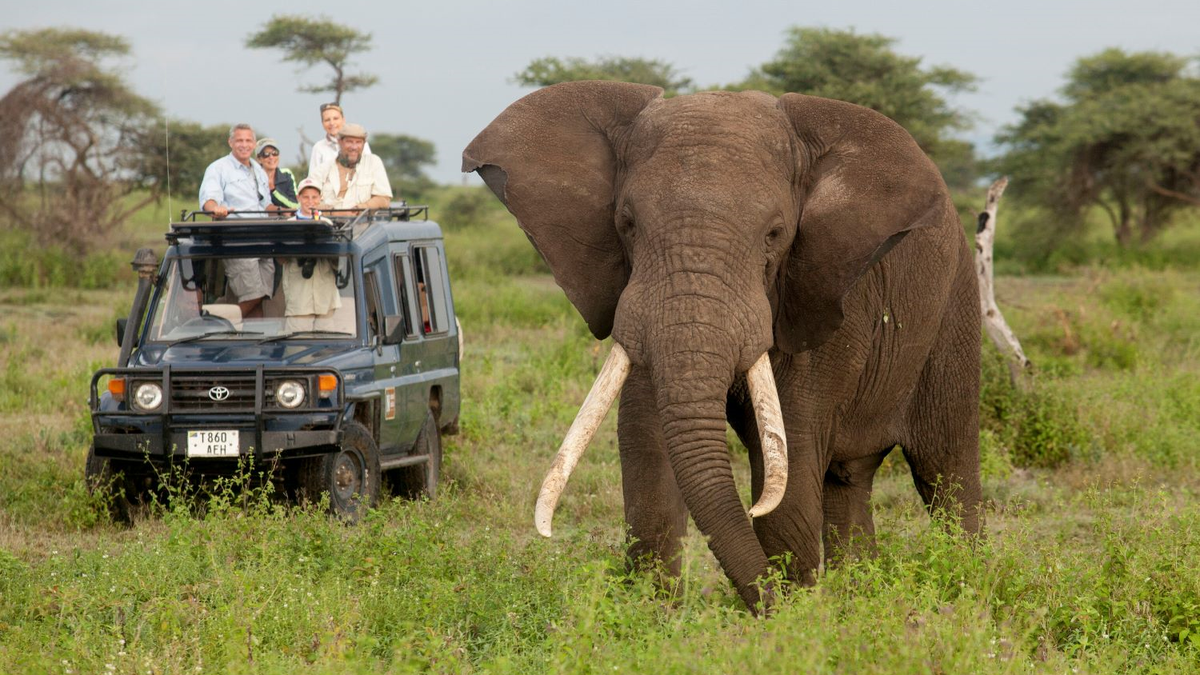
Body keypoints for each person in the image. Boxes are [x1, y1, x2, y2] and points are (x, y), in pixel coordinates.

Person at [197, 123, 274, 318]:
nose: (244, 144)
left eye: (248, 140)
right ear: (230, 142)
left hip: (265, 239)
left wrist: (290, 211)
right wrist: (216, 209)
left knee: (262, 296)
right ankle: (217, 321)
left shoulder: (258, 169)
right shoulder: (218, 168)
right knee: (254, 293)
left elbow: (266, 206)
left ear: (254, 144)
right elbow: (209, 199)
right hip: (239, 239)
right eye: (239, 140)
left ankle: (255, 344)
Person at [283, 178, 342, 332]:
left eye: (314, 197)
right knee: (297, 345)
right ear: (298, 199)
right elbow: (281, 260)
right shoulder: (288, 224)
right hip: (299, 298)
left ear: (320, 198)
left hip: (325, 296)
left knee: (327, 346)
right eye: (306, 197)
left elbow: (338, 262)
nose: (310, 201)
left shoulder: (327, 224)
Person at [313, 123, 393, 213]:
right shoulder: (323, 169)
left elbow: (383, 199)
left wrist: (360, 209)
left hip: (363, 223)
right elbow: (308, 200)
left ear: (364, 144)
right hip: (328, 223)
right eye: (349, 142)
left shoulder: (373, 163)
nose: (354, 147)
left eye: (358, 142)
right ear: (339, 142)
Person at [308, 102, 371, 175]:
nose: (332, 123)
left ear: (343, 120)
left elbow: (369, 170)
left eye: (335, 118)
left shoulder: (359, 143)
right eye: (327, 120)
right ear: (322, 123)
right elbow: (313, 177)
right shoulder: (319, 147)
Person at [254, 138, 298, 213]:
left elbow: (295, 205)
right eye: (266, 154)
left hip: (285, 222)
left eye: (275, 153)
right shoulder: (252, 177)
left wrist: (274, 191)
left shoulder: (287, 174)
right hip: (260, 221)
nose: (271, 157)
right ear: (259, 159)